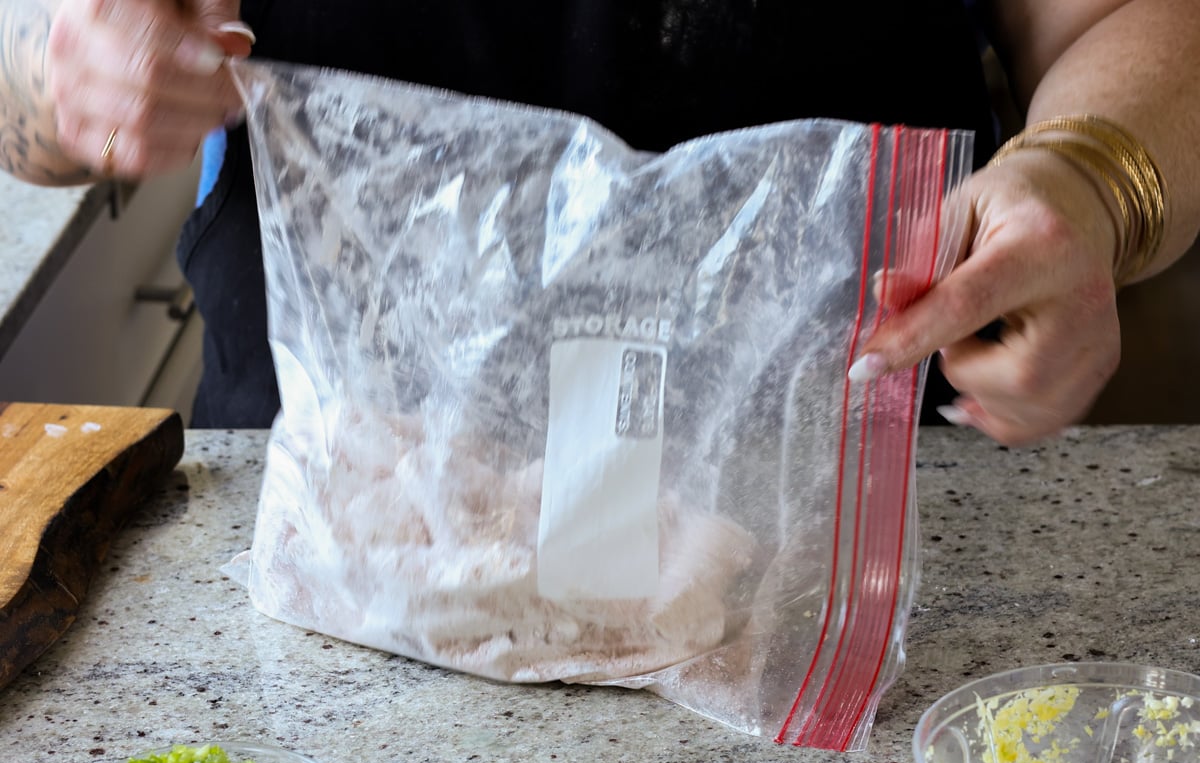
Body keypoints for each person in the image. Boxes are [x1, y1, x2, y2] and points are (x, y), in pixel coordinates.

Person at [1, 0, 1197, 446]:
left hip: (845, 545)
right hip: (342, 520)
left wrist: (1092, 181)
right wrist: (62, 70)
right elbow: (22, 90)